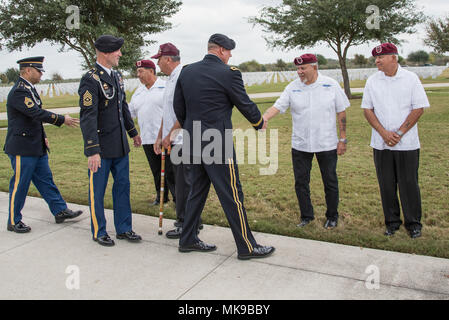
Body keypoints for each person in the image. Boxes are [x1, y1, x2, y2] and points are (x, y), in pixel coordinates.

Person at [173, 33, 275, 260]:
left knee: (196, 192)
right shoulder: (229, 73)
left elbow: (178, 107)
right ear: (220, 50)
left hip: (191, 138)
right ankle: (247, 247)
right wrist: (258, 122)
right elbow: (243, 102)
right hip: (215, 141)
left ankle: (187, 238)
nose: (230, 56)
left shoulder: (187, 71)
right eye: (228, 52)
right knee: (232, 194)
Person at [263, 54, 349, 230]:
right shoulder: (292, 87)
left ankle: (332, 216)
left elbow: (341, 113)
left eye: (303, 68)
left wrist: (342, 139)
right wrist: (263, 118)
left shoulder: (330, 85)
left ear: (314, 67)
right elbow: (278, 106)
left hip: (326, 143)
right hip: (301, 144)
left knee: (330, 181)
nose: (299, 72)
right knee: (301, 182)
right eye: (298, 69)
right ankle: (306, 216)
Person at [4, 56, 82, 233]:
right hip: (22, 147)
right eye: (39, 71)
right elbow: (35, 113)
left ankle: (59, 210)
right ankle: (14, 220)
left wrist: (43, 136)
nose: (41, 74)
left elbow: (33, 120)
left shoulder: (29, 89)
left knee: (46, 180)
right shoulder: (19, 91)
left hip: (35, 145)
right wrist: (62, 119)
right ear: (28, 70)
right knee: (20, 184)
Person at [78, 35, 143, 246]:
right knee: (97, 191)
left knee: (123, 186)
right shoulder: (90, 79)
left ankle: (124, 228)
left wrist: (132, 132)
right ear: (105, 52)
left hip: (120, 145)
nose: (120, 54)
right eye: (117, 51)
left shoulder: (116, 76)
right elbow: (88, 116)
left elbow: (121, 107)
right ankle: (99, 231)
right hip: (101, 148)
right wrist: (92, 150)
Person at [362, 43, 430, 239]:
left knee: (409, 183)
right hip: (381, 143)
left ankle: (413, 223)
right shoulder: (372, 81)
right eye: (376, 58)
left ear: (394, 57)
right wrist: (384, 133)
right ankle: (392, 223)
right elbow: (367, 109)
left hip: (406, 143)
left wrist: (399, 133)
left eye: (381, 57)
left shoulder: (411, 79)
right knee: (386, 184)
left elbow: (418, 108)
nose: (377, 61)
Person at [152, 43, 201, 239]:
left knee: (185, 184)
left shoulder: (184, 76)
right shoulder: (171, 79)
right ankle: (192, 220)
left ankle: (186, 224)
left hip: (185, 138)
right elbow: (168, 112)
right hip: (174, 137)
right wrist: (160, 135)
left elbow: (187, 110)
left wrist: (170, 135)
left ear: (168, 59)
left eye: (159, 59)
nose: (157, 64)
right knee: (181, 182)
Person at [128, 59, 175, 206]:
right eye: (137, 72)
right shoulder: (138, 92)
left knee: (171, 171)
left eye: (141, 71)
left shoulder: (165, 87)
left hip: (166, 138)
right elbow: (130, 113)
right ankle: (161, 197)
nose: (138, 75)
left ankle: (178, 200)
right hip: (147, 139)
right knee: (156, 171)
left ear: (151, 71)